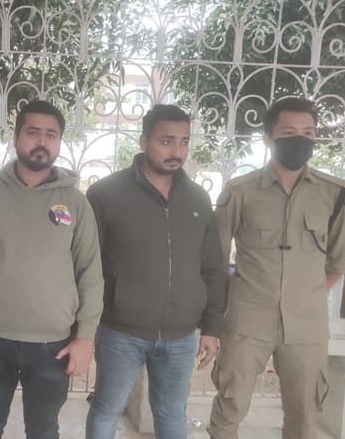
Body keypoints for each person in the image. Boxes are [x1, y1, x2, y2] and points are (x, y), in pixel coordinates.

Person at [0, 99, 104, 439]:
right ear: (16, 137)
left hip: (53, 345)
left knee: (44, 431)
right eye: (33, 132)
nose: (42, 141)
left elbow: (90, 274)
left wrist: (85, 337)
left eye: (51, 134)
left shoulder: (75, 203)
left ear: (59, 142)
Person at [207, 97, 345, 439]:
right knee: (230, 406)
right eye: (289, 132)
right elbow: (216, 260)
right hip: (247, 321)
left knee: (305, 413)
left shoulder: (335, 195)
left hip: (307, 325)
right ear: (268, 138)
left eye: (308, 133)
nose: (300, 139)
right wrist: (238, 292)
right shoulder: (240, 192)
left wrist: (305, 294)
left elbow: (340, 261)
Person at [85, 104, 225, 439]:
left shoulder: (198, 198)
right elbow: (87, 264)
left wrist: (212, 327)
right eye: (166, 141)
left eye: (184, 141)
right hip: (120, 331)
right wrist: (85, 325)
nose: (177, 151)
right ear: (144, 141)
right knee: (107, 409)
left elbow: (212, 265)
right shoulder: (106, 194)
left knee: (171, 414)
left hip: (181, 335)